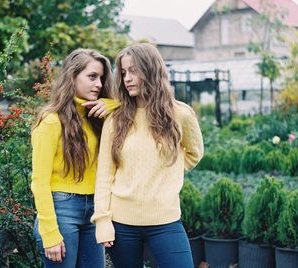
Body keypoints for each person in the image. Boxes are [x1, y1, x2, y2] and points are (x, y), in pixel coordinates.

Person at [91, 43, 204, 268]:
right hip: (122, 224)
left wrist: (165, 172)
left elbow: (194, 153)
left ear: (151, 70)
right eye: (123, 73)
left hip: (166, 221)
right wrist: (102, 220)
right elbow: (104, 173)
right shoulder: (115, 119)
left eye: (134, 70)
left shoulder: (180, 114)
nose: (127, 78)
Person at [31, 48, 119, 268]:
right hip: (62, 211)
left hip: (94, 211)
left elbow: (133, 108)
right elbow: (39, 183)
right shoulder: (51, 121)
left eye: (101, 78)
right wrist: (50, 233)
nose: (99, 84)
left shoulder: (97, 118)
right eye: (92, 77)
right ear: (72, 76)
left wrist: (111, 104)